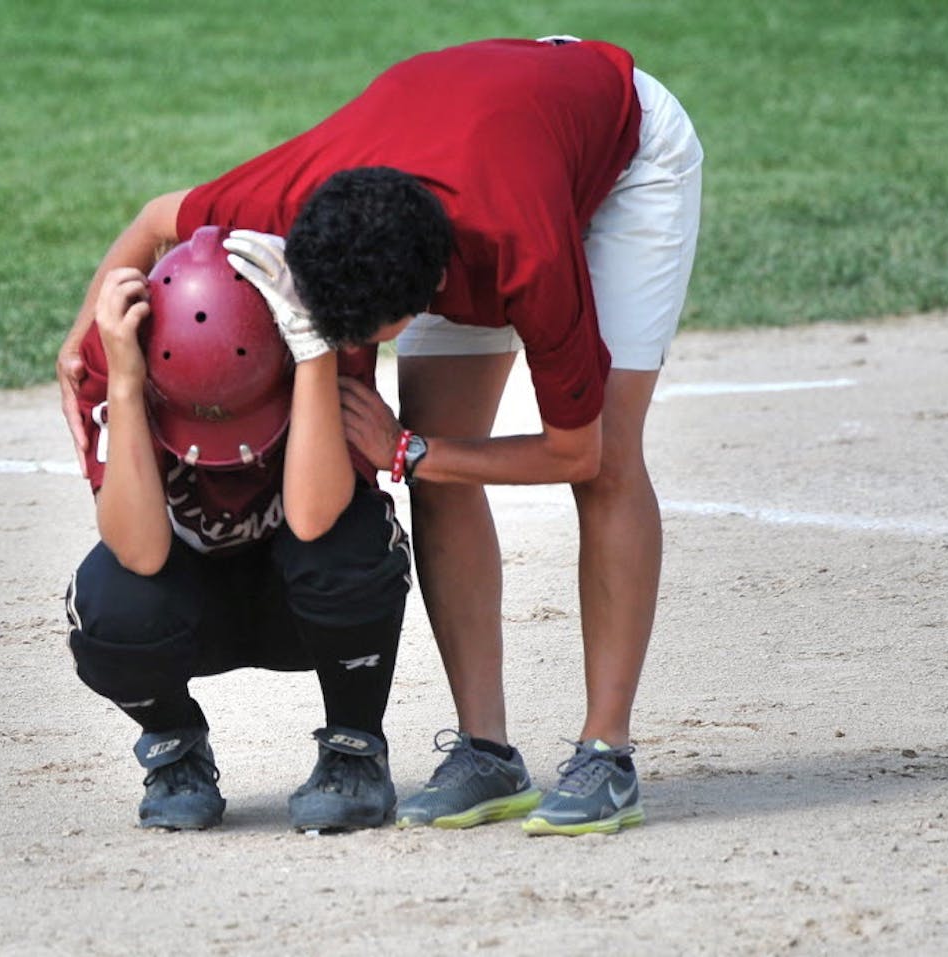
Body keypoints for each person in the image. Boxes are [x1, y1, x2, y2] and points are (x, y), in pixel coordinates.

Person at [57, 37, 703, 837]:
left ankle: (606, 752)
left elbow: (581, 449)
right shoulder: (302, 194)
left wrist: (411, 451)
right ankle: (487, 750)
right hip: (460, 134)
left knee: (603, 461)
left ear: (434, 290)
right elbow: (158, 217)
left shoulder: (526, 250)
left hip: (619, 152)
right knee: (443, 465)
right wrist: (82, 336)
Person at [62, 224, 410, 833]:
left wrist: (312, 351)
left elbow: (313, 517)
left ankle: (355, 751)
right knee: (109, 604)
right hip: (188, 607)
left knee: (355, 547)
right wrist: (124, 380)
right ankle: (175, 751)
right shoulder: (115, 355)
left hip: (302, 608)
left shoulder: (321, 340)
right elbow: (139, 552)